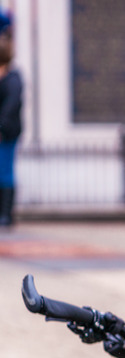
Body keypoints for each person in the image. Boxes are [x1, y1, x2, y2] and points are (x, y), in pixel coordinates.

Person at [0, 11, 22, 227]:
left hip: (6, 134)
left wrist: (1, 128)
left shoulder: (13, 78)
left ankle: (6, 215)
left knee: (5, 171)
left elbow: (11, 106)